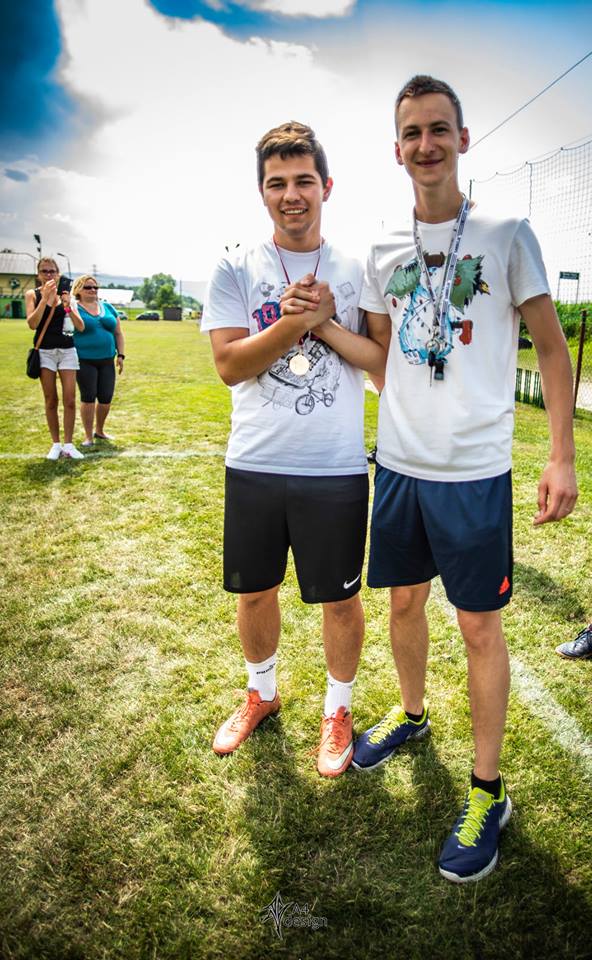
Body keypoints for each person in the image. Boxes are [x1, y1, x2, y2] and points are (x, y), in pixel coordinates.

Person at [350, 75, 578, 881]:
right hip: (400, 468)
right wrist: (322, 332)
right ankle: (412, 715)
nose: (426, 144)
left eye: (438, 129)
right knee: (403, 603)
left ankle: (488, 791)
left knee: (479, 628)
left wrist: (561, 454)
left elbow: (551, 347)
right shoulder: (381, 250)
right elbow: (382, 358)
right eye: (412, 132)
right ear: (397, 148)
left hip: (476, 474)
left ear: (463, 138)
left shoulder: (507, 233)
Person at [201, 121, 386, 777]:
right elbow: (229, 365)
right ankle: (262, 694)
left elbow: (379, 361)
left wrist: (324, 322)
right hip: (254, 462)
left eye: (304, 180)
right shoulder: (234, 266)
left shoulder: (357, 268)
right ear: (262, 192)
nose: (291, 195)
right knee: (255, 592)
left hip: (334, 467)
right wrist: (291, 323)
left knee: (340, 599)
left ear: (326, 186)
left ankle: (339, 709)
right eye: (277, 183)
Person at [25, 257, 85, 460]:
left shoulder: (66, 295)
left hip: (67, 350)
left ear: (58, 274)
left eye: (52, 271)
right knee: (51, 399)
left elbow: (80, 326)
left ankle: (69, 445)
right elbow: (32, 324)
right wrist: (44, 299)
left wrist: (67, 306)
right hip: (45, 351)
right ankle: (56, 444)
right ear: (38, 274)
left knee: (70, 399)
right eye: (45, 271)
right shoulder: (32, 294)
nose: (49, 275)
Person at [72, 275, 125, 445]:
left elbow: (118, 333)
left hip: (107, 360)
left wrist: (121, 355)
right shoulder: (74, 308)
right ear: (78, 290)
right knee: (88, 397)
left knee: (105, 398)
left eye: (95, 287)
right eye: (88, 287)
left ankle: (100, 431)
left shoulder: (107, 307)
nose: (92, 290)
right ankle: (88, 436)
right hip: (84, 360)